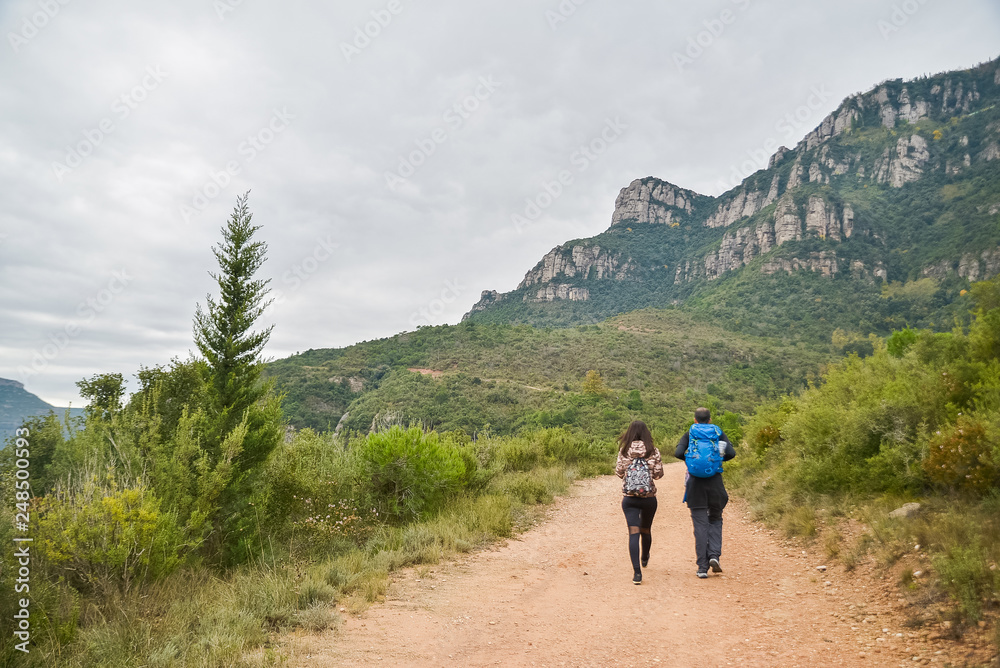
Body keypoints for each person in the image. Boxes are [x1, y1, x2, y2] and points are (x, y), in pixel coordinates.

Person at [674, 407, 736, 579]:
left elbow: (678, 452)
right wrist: (717, 459)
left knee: (700, 525)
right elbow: (731, 453)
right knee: (715, 519)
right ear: (709, 420)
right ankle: (714, 556)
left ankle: (702, 568)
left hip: (695, 486)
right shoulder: (717, 432)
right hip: (715, 484)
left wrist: (691, 460)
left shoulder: (690, 434)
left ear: (695, 419)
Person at [615, 420, 664, 585]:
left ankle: (637, 573)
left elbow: (619, 472)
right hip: (649, 499)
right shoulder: (653, 450)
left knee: (633, 532)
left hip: (629, 499)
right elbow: (658, 475)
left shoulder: (624, 451)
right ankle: (645, 556)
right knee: (646, 529)